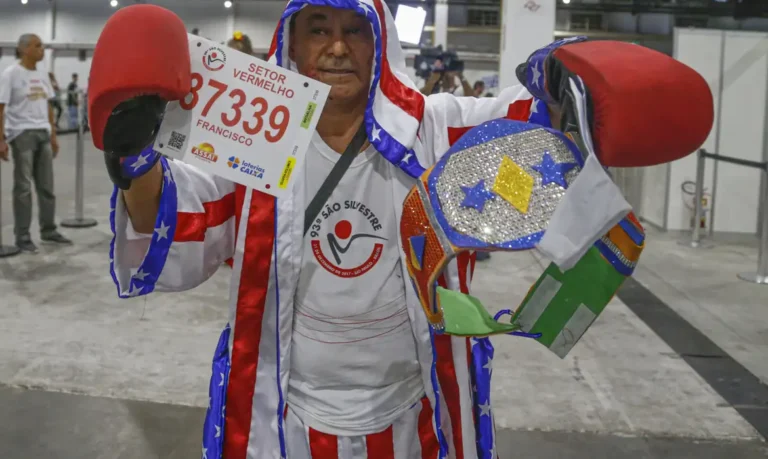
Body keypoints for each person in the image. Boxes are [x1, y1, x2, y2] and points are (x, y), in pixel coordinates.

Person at [102, 3, 565, 458]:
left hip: (414, 416)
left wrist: (566, 82)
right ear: (293, 43)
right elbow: (176, 221)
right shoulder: (253, 141)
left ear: (381, 42)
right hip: (288, 418)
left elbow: (533, 130)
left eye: (356, 31)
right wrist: (135, 160)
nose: (338, 48)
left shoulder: (433, 130)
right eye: (319, 31)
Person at [0, 34, 71, 252]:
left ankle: (48, 230)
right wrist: (1, 139)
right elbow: (1, 107)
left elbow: (48, 106)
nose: (42, 49)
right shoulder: (10, 74)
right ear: (24, 49)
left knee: (46, 186)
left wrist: (53, 135)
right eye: (37, 45)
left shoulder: (42, 74)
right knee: (23, 188)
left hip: (43, 133)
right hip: (21, 134)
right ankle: (22, 236)